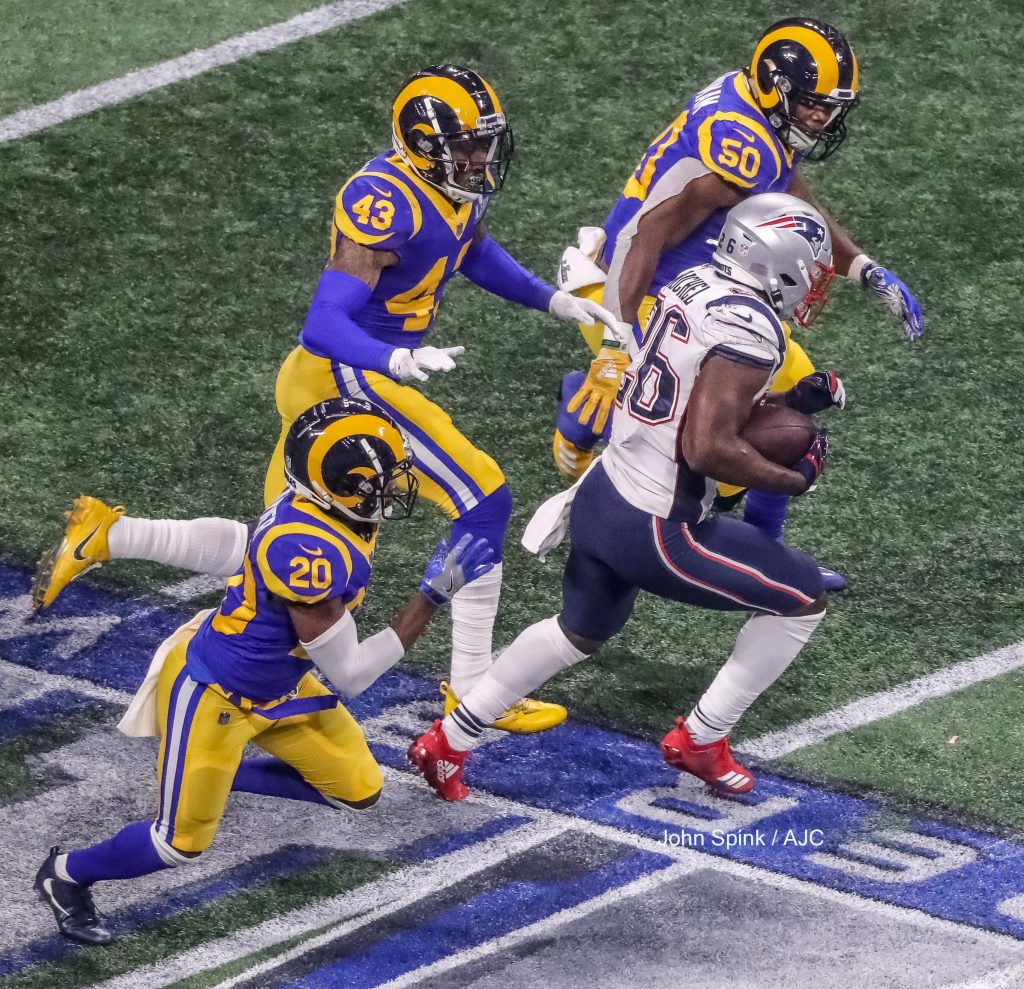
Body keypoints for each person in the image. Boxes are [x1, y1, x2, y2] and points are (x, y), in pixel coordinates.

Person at [32, 63, 621, 732]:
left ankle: (111, 533)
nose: (481, 156)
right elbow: (325, 321)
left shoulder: (452, 186)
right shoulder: (384, 199)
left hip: (342, 375)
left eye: (485, 141)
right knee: (484, 497)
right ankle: (474, 683)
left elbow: (471, 249)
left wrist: (551, 299)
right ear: (426, 144)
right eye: (467, 143)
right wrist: (393, 355)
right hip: (344, 375)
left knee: (274, 546)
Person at [409, 193, 844, 801]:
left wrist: (791, 408)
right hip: (658, 525)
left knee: (578, 630)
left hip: (603, 496)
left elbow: (697, 398)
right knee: (803, 598)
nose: (814, 281)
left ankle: (447, 741)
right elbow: (707, 448)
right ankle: (701, 739)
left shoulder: (694, 281)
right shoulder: (751, 326)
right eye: (811, 266)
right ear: (777, 261)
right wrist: (797, 478)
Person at [34, 397, 495, 944]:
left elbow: (238, 544)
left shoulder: (318, 511)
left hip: (284, 683)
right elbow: (350, 675)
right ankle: (65, 876)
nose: (395, 488)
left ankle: (213, 776)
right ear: (342, 487)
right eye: (383, 481)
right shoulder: (308, 551)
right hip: (217, 695)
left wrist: (123, 536)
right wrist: (430, 599)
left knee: (359, 789)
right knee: (178, 843)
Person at [552, 17, 923, 591]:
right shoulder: (738, 138)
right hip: (643, 290)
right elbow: (641, 237)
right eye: (813, 104)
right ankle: (581, 405)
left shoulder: (757, 112)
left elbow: (789, 194)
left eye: (830, 106)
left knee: (794, 404)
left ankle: (768, 554)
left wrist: (862, 267)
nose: (823, 118)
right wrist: (613, 342)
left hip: (701, 289)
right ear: (775, 87)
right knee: (712, 450)